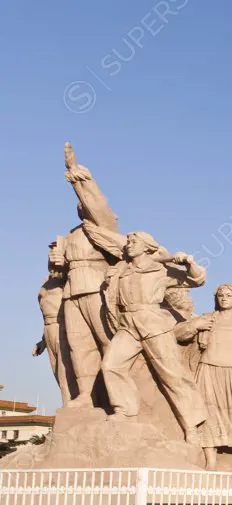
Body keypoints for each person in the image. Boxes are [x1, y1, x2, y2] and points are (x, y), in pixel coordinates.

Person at [101, 232, 207, 443]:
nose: (129, 245)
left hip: (154, 324)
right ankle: (125, 410)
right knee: (111, 365)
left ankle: (192, 425)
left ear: (147, 246)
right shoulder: (122, 270)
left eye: (134, 242)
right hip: (128, 324)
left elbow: (197, 280)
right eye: (128, 242)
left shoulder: (160, 269)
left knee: (172, 375)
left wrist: (188, 262)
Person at [58, 143, 124, 407]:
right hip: (72, 291)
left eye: (84, 203)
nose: (81, 206)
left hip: (96, 286)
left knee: (107, 341)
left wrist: (74, 172)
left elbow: (97, 202)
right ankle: (85, 395)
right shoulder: (72, 234)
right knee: (78, 344)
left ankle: (115, 396)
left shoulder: (103, 226)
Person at [179, 284, 232, 471]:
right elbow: (179, 334)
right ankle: (211, 461)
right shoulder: (207, 319)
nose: (224, 298)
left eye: (229, 295)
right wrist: (194, 325)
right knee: (208, 415)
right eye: (221, 295)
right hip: (208, 371)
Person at [32, 239, 72, 404]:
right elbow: (45, 312)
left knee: (65, 369)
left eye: (56, 251)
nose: (51, 255)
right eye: (50, 252)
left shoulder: (68, 280)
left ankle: (70, 405)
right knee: (56, 369)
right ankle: (67, 402)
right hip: (49, 328)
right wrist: (42, 341)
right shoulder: (46, 282)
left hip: (64, 327)